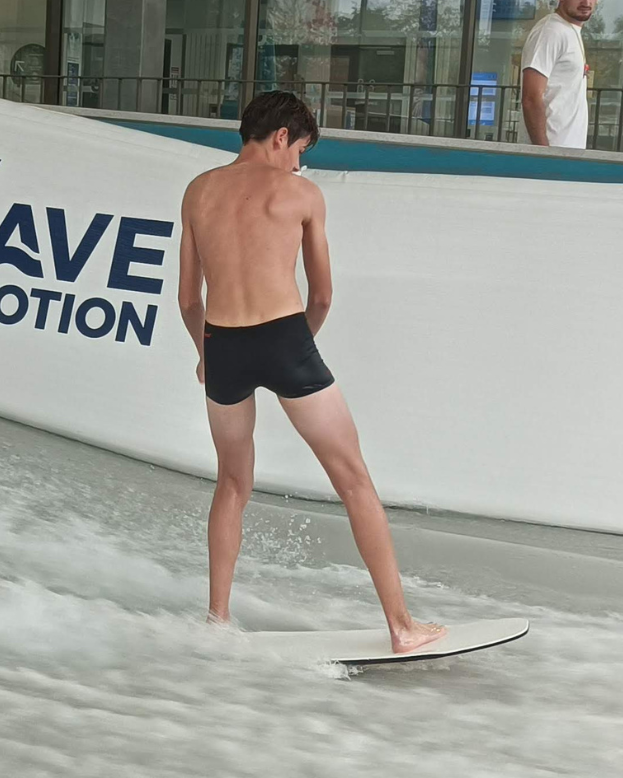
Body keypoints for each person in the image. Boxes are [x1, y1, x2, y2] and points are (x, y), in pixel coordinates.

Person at [176, 91, 446, 655]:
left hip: (223, 343)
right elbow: (321, 296)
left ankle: (217, 620)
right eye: (299, 150)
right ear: (281, 137)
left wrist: (206, 353)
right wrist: (297, 353)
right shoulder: (301, 194)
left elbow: (187, 300)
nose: (299, 164)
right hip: (284, 338)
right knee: (354, 481)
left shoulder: (198, 191)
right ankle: (402, 627)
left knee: (232, 484)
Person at [520, 0, 604, 149]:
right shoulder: (550, 32)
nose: (586, 2)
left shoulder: (569, 31)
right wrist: (545, 155)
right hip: (550, 156)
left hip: (566, 154)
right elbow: (531, 98)